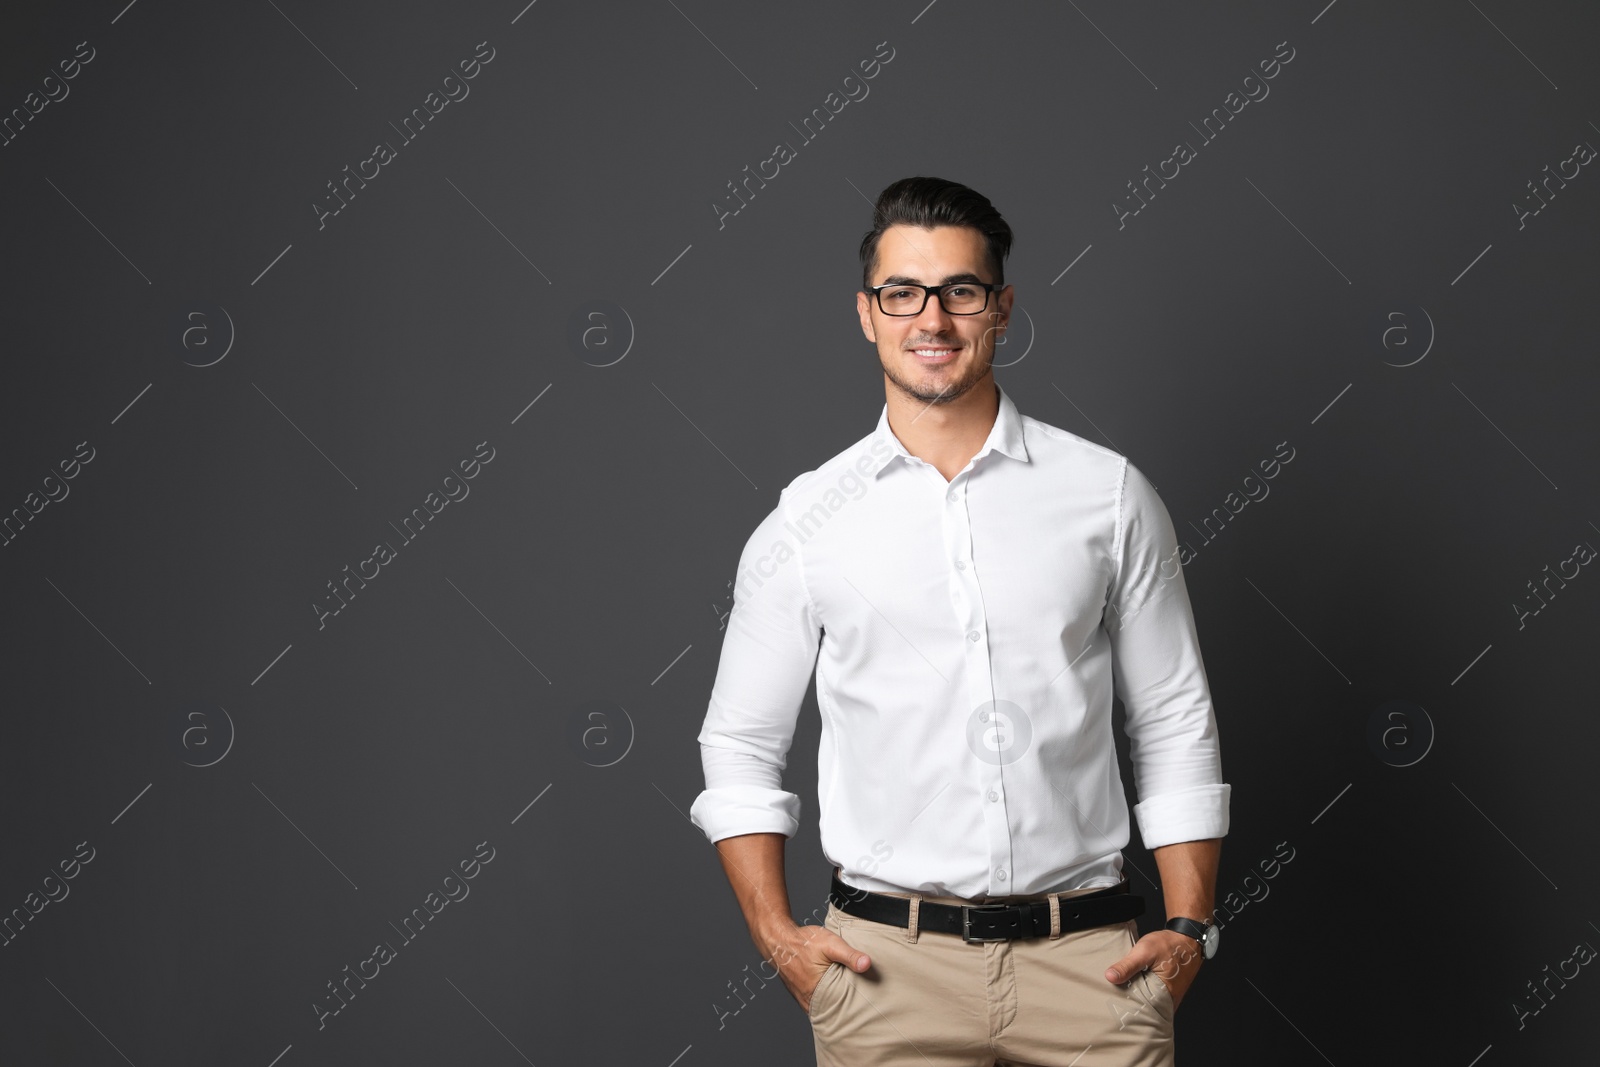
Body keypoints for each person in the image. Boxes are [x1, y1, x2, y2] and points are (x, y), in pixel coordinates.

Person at [689, 175, 1229, 1066]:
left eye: (960, 292)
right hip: (883, 973)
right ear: (867, 312)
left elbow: (1174, 715)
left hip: (1094, 970)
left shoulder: (1108, 496)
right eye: (902, 293)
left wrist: (1189, 928)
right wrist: (778, 936)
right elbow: (741, 740)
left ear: (1002, 309)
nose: (930, 320)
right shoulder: (807, 520)